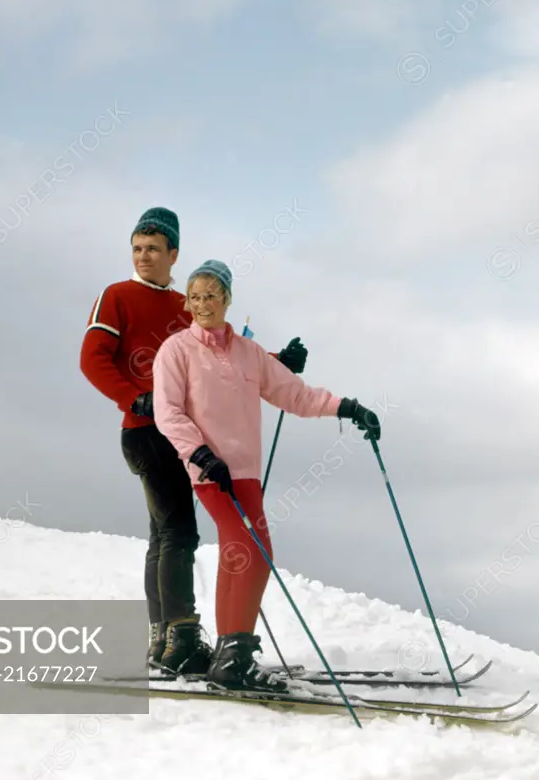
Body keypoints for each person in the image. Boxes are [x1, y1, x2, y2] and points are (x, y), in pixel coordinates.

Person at [79, 208, 309, 676]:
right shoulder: (117, 295)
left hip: (184, 434)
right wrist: (135, 398)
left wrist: (278, 361)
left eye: (153, 249)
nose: (143, 257)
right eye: (137, 248)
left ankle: (165, 638)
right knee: (177, 532)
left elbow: (218, 347)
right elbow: (91, 359)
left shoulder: (183, 302)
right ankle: (179, 636)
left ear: (174, 254)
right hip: (146, 432)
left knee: (167, 533)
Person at [152, 259, 381, 692]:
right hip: (210, 472)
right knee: (249, 551)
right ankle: (234, 660)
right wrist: (200, 454)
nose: (203, 304)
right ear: (186, 301)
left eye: (212, 295)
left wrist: (348, 407)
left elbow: (294, 394)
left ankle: (228, 653)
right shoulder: (176, 351)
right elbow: (169, 412)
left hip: (245, 473)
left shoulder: (249, 353)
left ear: (228, 299)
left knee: (249, 556)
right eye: (196, 296)